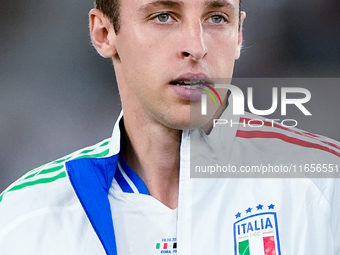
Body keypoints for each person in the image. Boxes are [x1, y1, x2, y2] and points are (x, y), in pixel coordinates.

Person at [0, 0, 339, 254]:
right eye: (163, 16)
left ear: (239, 35)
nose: (196, 46)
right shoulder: (23, 217)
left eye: (217, 18)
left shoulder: (324, 186)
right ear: (104, 33)